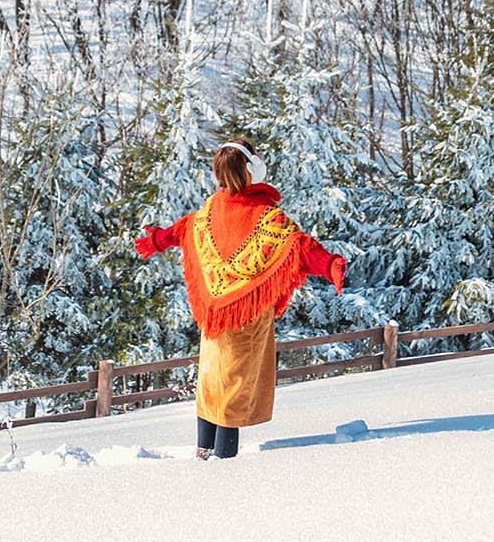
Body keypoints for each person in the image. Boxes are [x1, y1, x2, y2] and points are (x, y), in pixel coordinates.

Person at [134, 141, 347, 460]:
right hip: (247, 314)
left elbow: (183, 228)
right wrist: (330, 265)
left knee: (211, 382)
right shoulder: (266, 216)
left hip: (214, 316)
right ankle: (224, 462)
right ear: (251, 169)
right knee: (233, 390)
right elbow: (300, 246)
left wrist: (157, 240)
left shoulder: (210, 210)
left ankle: (203, 453)